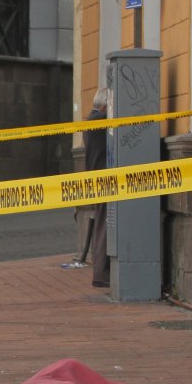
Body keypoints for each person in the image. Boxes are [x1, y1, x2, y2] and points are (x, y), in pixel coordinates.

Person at [84, 88, 110, 287]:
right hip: (103, 179)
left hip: (97, 178)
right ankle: (101, 274)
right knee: (103, 226)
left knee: (101, 224)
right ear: (104, 106)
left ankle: (101, 271)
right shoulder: (99, 122)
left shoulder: (90, 121)